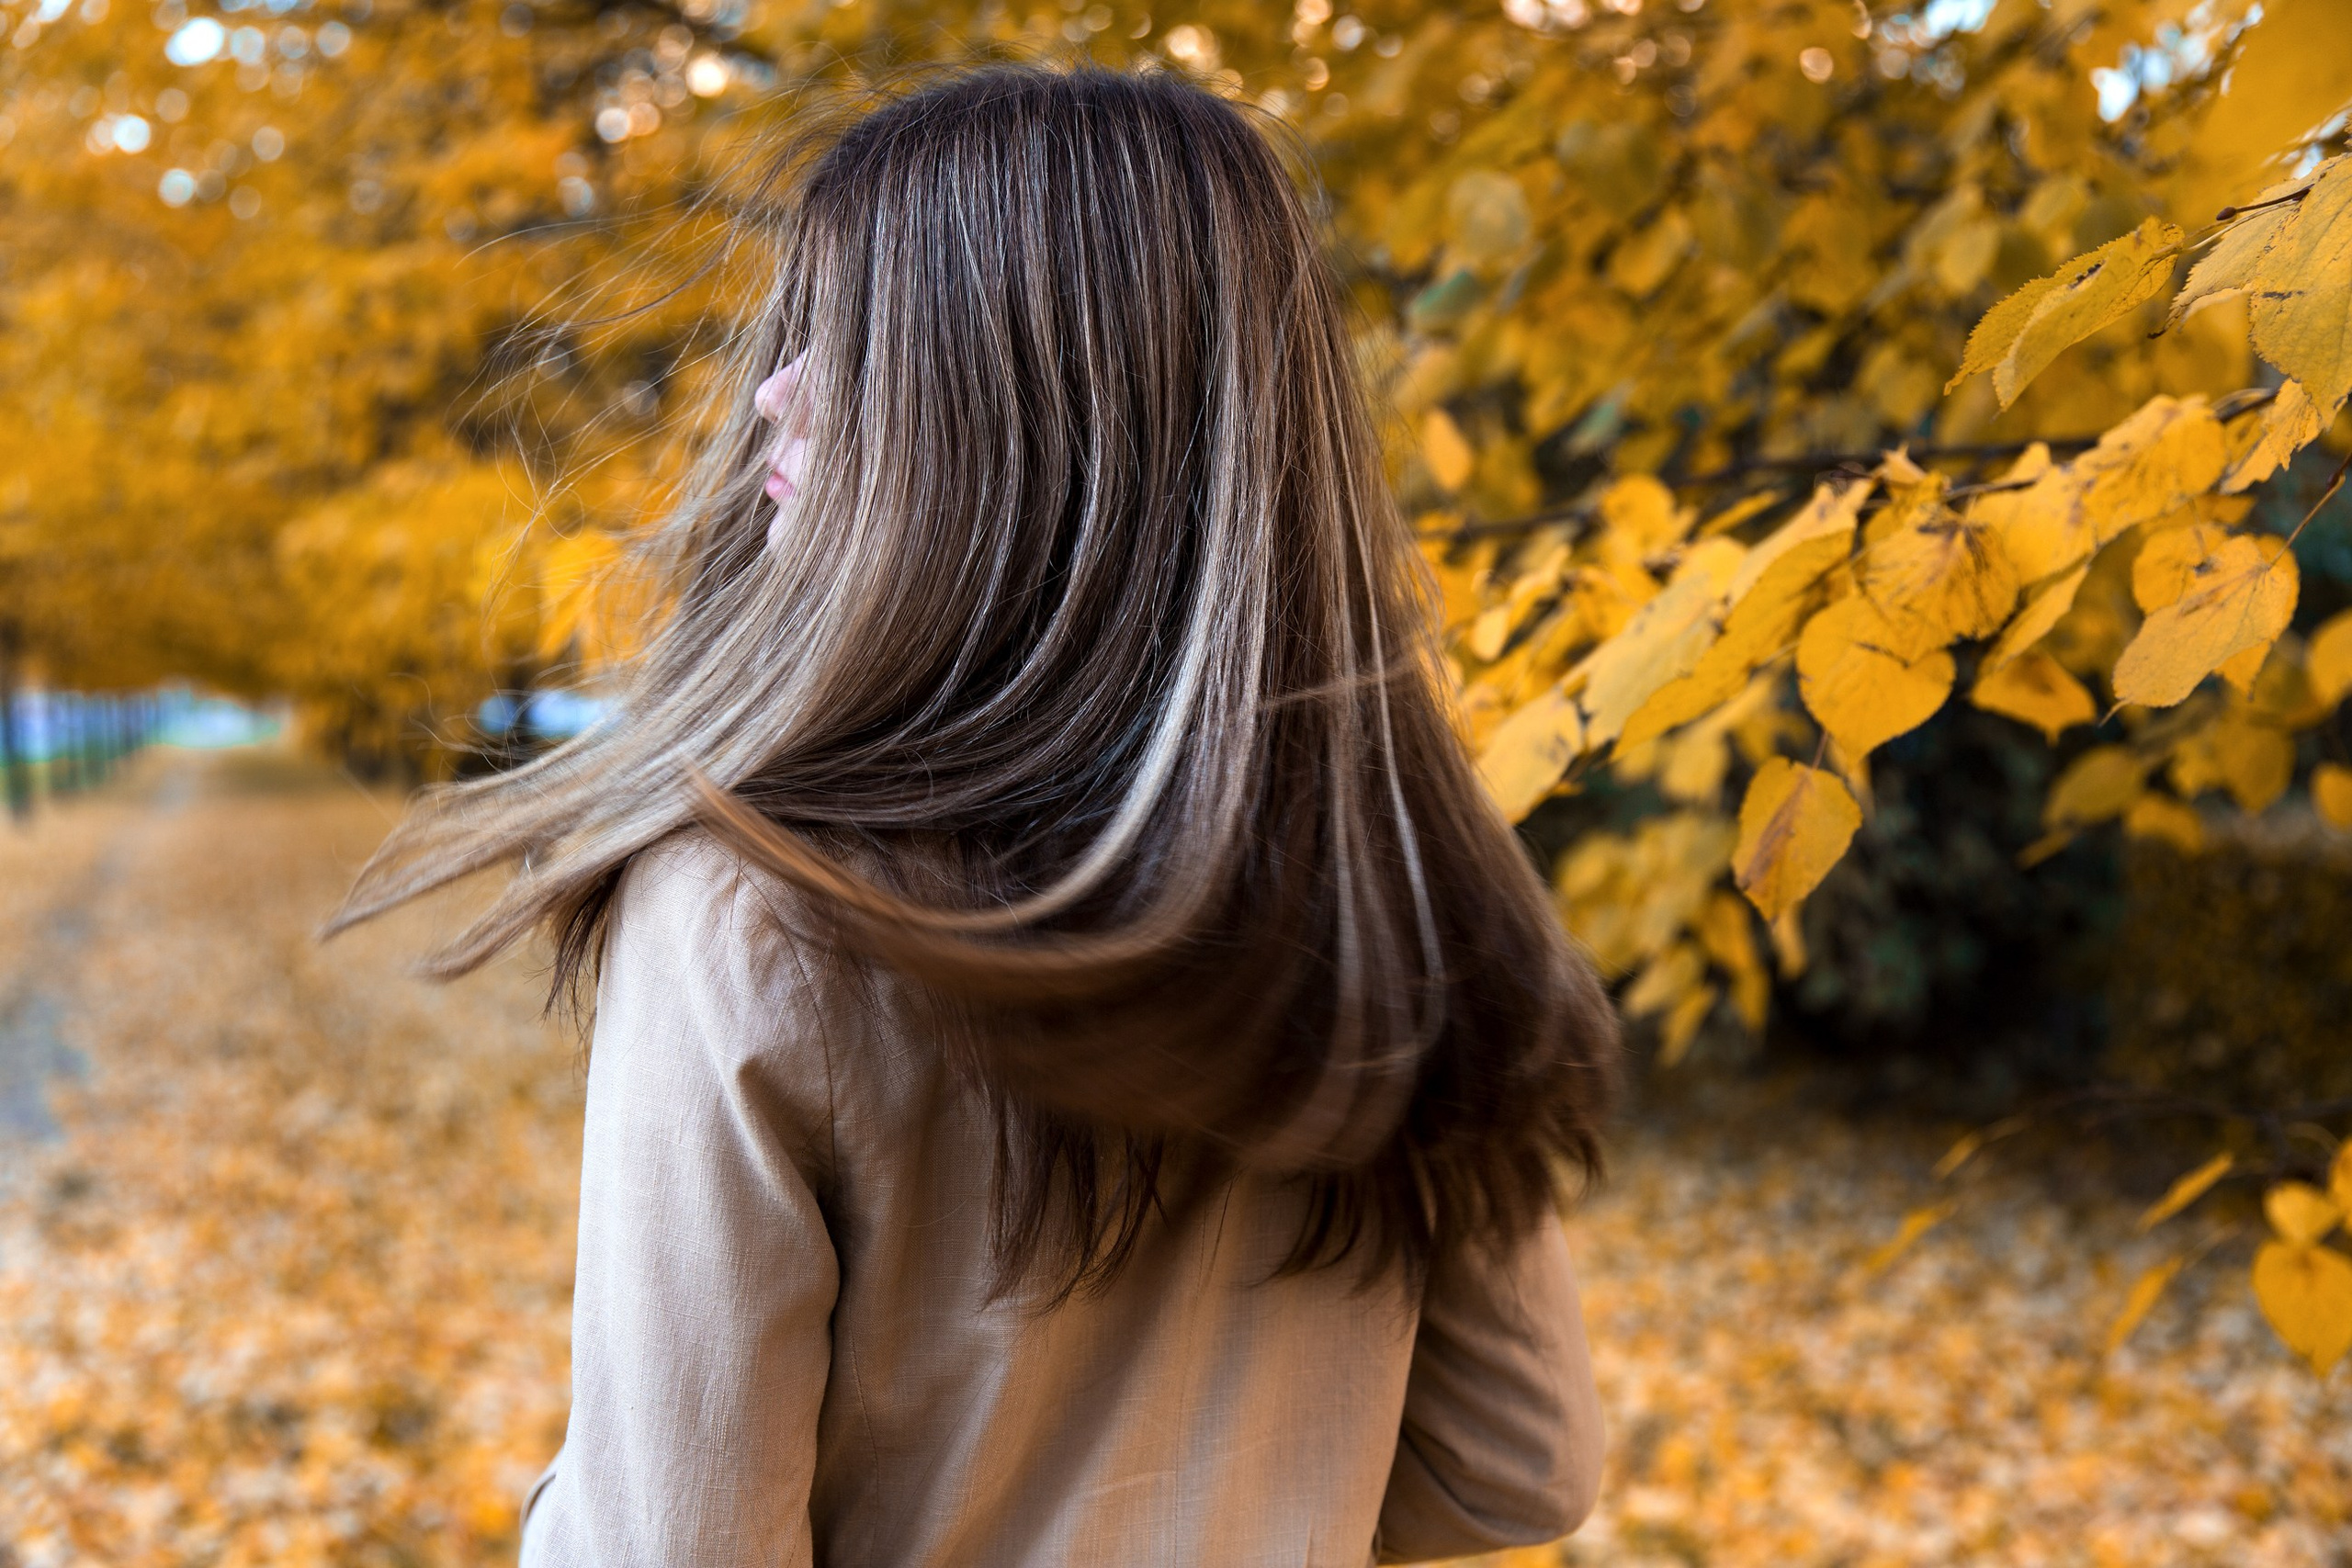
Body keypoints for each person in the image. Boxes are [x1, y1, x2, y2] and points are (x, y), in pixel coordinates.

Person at [336, 62, 1619, 1568]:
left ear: (999, 411)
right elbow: (1516, 1469)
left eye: (850, 335)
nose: (779, 391)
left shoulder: (753, 904)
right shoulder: (1377, 867)